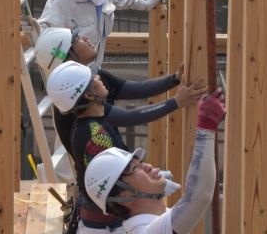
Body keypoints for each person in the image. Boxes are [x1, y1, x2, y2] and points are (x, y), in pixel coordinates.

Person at [47, 61, 206, 234]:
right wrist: (150, 186)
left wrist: (174, 82)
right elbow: (118, 186)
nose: (99, 77)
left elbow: (133, 115)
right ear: (90, 94)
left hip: (101, 227)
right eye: (94, 79)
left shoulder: (93, 117)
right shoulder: (95, 137)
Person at [83, 90, 226, 234]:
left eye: (141, 163)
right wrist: (206, 126)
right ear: (125, 197)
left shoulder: (155, 221)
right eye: (135, 169)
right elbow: (198, 196)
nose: (148, 166)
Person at [38, 30, 204, 159]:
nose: (85, 38)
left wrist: (174, 79)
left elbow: (138, 89)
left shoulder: (95, 78)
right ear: (68, 57)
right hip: (108, 185)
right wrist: (175, 102)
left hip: (115, 171)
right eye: (77, 39)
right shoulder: (73, 98)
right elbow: (129, 117)